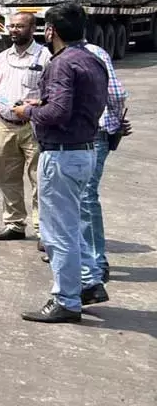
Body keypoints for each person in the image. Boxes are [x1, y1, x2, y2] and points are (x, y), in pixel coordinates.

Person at [13, 4, 107, 323]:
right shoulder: (93, 59)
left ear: (51, 31)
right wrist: (42, 102)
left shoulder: (61, 64)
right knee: (71, 221)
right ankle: (88, 281)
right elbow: (75, 103)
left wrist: (29, 112)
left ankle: (66, 300)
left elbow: (59, 113)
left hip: (62, 154)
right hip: (85, 150)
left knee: (57, 232)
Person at [0, 12, 50, 240]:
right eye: (11, 26)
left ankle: (43, 232)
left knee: (40, 180)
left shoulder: (45, 57)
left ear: (32, 29)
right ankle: (15, 224)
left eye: (20, 26)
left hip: (34, 127)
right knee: (6, 177)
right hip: (4, 125)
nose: (14, 30)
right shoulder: (2, 58)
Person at [79, 42, 130, 284]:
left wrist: (113, 123)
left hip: (93, 134)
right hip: (73, 135)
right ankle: (83, 256)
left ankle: (96, 263)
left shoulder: (92, 53)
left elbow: (117, 94)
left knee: (86, 196)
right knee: (76, 198)